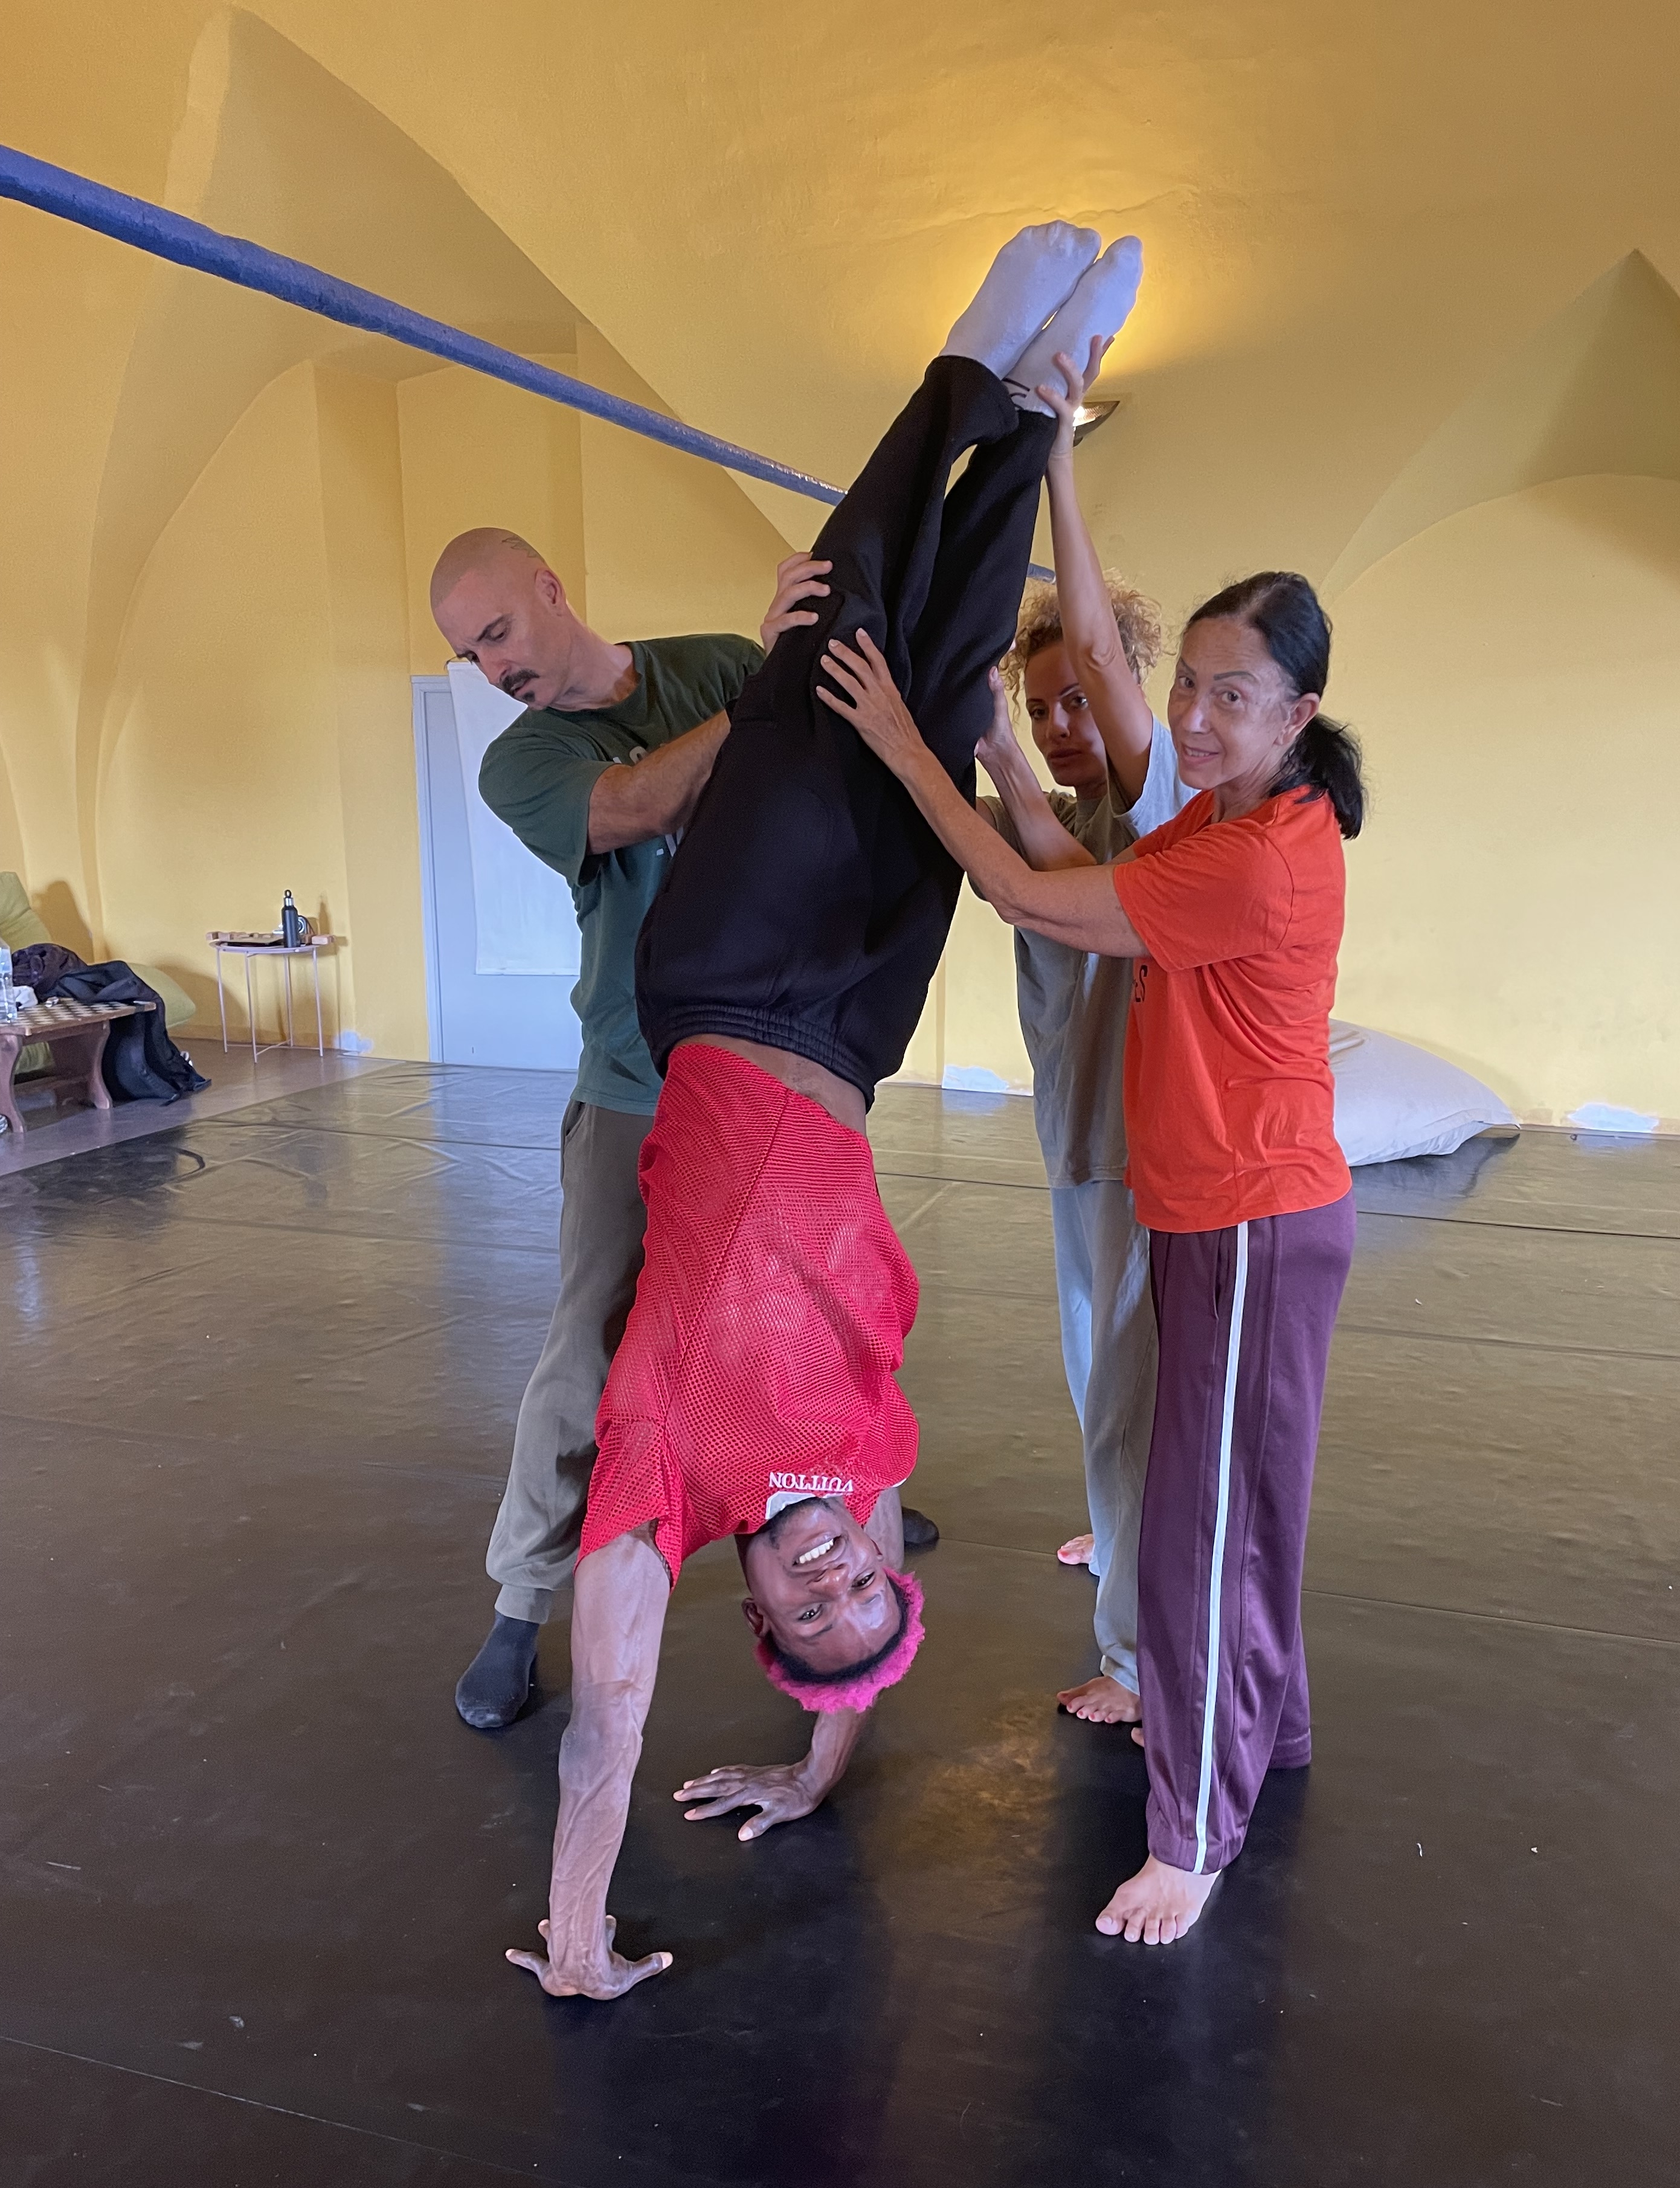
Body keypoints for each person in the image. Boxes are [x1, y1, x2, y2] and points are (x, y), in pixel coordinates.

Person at [504, 222, 1148, 2001]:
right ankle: (1034, 411)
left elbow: (609, 1724)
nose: (832, 1582)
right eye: (864, 1592)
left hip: (721, 990)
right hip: (854, 1031)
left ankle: (955, 368)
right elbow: (864, 1685)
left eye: (808, 1610)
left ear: (763, 1605)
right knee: (923, 703)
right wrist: (812, 1762)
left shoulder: (671, 1480)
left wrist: (577, 1940)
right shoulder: (871, 1467)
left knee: (830, 629)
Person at [820, 488, 1362, 1949]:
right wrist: (1055, 459)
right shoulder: (1236, 814)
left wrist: (902, 742)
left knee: (1192, 1533)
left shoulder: (1254, 852)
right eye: (1184, 682)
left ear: (1298, 711)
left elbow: (1023, 883)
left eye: (1227, 695)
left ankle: (1190, 1833)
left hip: (1250, 1227)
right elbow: (1075, 839)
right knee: (1238, 1513)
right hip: (1220, 1220)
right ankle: (1274, 1729)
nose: (1187, 715)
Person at [429, 529, 942, 1733]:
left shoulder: (710, 663)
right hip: (636, 1078)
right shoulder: (528, 759)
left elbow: (817, 761)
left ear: (550, 588)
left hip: (778, 1064)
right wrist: (766, 686)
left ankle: (853, 1494)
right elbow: (641, 802)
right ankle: (521, 1602)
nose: (493, 668)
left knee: (831, 1311)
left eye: (498, 632)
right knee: (592, 1342)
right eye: (468, 655)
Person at [975, 353, 1187, 1728]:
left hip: (1139, 1162)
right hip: (1074, 1156)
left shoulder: (1169, 805)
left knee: (1126, 1398)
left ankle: (1130, 1661)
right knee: (1091, 1377)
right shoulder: (1031, 820)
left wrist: (1049, 451)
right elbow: (1019, 849)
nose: (1062, 725)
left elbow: (1048, 852)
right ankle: (1114, 1537)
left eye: (1075, 701)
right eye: (1038, 704)